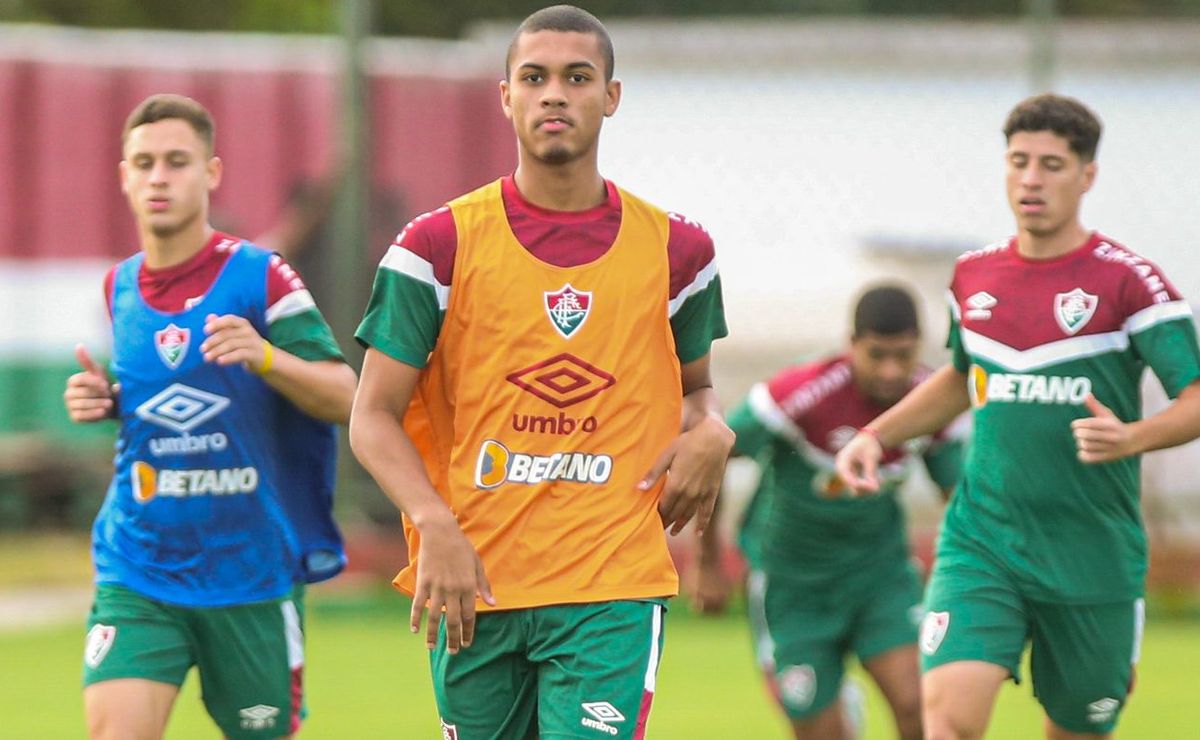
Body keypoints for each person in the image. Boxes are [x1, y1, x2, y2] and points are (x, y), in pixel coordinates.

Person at [350, 5, 733, 738]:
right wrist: (434, 523)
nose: (554, 94)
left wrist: (713, 430)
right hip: (474, 579)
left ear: (611, 97)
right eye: (534, 77)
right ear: (506, 97)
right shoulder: (435, 247)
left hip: (610, 583)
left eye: (577, 77)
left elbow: (695, 391)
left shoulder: (680, 251)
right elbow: (372, 417)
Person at [835, 93, 1200, 740]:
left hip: (1092, 556)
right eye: (1019, 161)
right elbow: (958, 380)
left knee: (1076, 729)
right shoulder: (974, 277)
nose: (1031, 179)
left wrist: (1133, 437)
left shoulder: (1131, 283)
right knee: (946, 720)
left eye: (1052, 165)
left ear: (1087, 176)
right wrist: (874, 435)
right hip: (984, 540)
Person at [63, 93, 357, 740]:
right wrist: (110, 402)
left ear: (212, 172)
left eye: (177, 161)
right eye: (144, 163)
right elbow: (169, 403)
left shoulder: (261, 277)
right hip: (140, 564)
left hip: (249, 574)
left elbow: (347, 396)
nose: (159, 177)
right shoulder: (119, 287)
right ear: (124, 177)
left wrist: (268, 359)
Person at [693, 285, 964, 740]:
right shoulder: (799, 395)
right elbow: (711, 456)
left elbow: (957, 495)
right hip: (793, 586)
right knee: (821, 732)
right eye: (877, 354)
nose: (891, 369)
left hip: (880, 580)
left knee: (922, 705)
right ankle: (841, 710)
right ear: (851, 343)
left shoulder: (927, 400)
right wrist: (707, 563)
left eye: (903, 354)